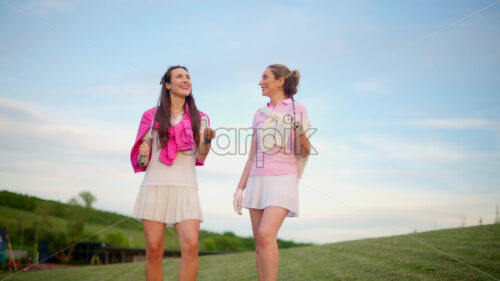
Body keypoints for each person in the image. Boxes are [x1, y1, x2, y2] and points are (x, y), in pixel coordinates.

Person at [130, 65, 215, 281]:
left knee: (192, 246)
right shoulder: (151, 116)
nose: (186, 80)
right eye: (179, 77)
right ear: (168, 85)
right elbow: (142, 160)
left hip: (186, 187)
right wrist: (144, 152)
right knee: (154, 249)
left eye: (188, 77)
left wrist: (206, 140)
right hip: (155, 186)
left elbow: (201, 157)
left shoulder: (200, 117)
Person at [233, 64, 312, 281]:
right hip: (257, 180)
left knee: (266, 235)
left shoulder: (298, 108)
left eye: (265, 77)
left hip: (283, 178)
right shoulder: (259, 114)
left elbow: (305, 152)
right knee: (259, 243)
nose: (260, 82)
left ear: (280, 81)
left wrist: (300, 130)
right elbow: (252, 156)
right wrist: (240, 188)